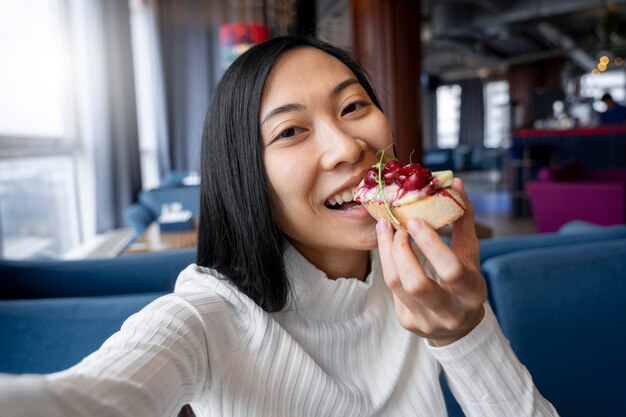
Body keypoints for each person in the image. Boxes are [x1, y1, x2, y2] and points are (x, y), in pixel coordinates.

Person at [0, 36, 559, 416]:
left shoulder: (424, 279)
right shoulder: (206, 316)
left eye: (354, 107)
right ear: (247, 175)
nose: (347, 148)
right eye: (290, 132)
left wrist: (461, 333)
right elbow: (91, 397)